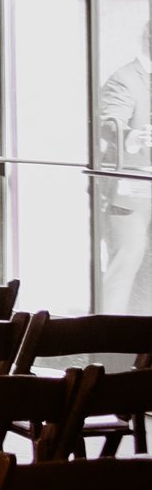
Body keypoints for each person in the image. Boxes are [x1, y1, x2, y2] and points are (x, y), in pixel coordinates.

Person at [94, 17, 152, 313]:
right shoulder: (125, 79)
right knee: (125, 264)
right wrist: (134, 137)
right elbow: (108, 123)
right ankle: (108, 338)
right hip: (130, 194)